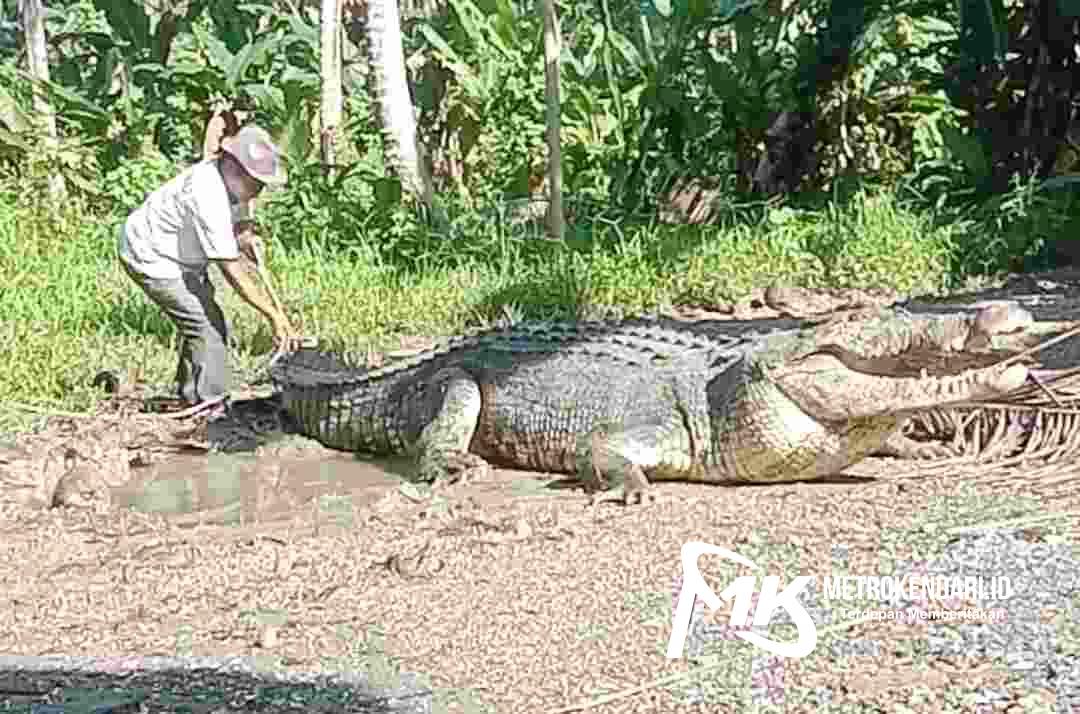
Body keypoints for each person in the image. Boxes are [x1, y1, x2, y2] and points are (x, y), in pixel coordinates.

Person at [118, 124, 300, 409]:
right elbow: (231, 270)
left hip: (181, 255)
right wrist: (273, 315)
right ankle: (210, 408)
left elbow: (238, 224)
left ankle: (190, 395)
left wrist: (245, 237)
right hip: (152, 256)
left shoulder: (232, 185)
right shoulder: (208, 193)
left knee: (203, 321)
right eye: (257, 183)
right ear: (234, 168)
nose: (260, 191)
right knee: (207, 327)